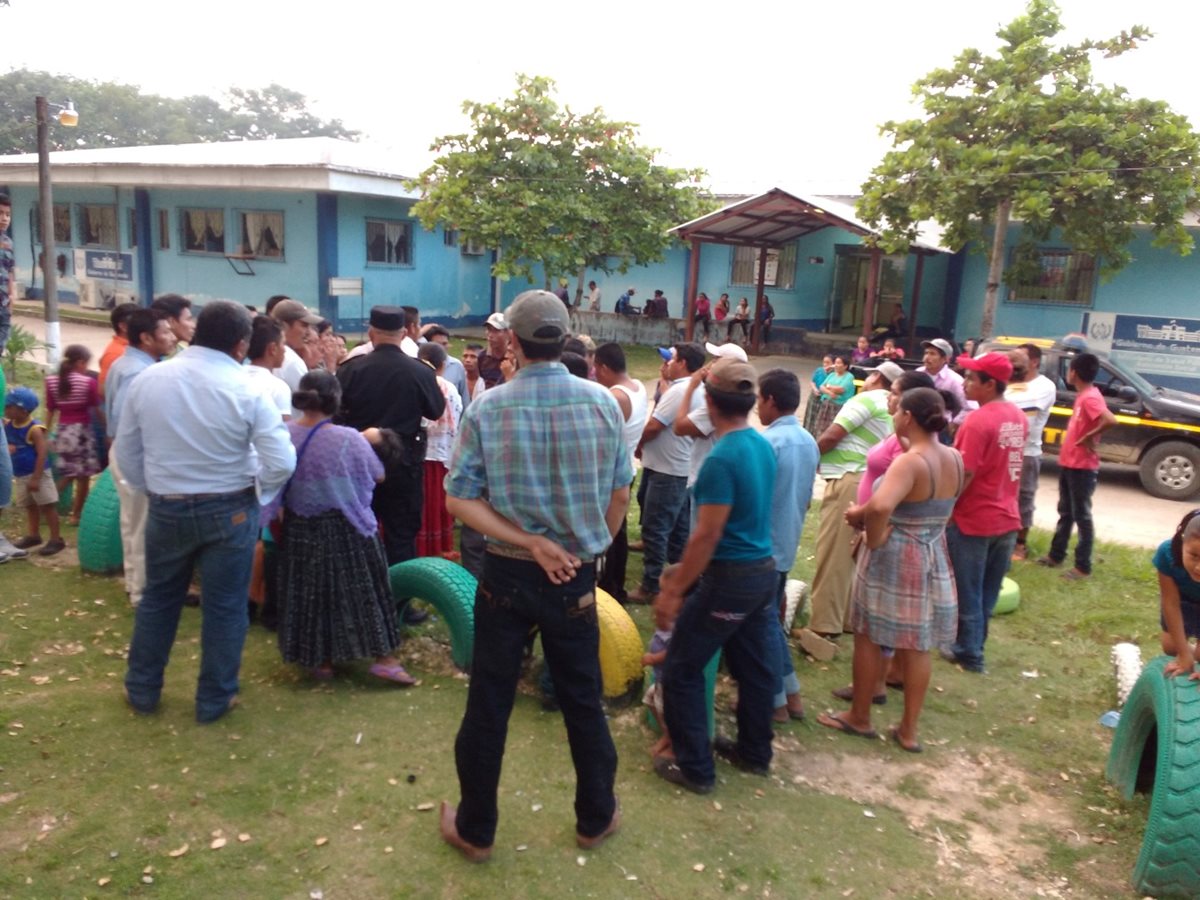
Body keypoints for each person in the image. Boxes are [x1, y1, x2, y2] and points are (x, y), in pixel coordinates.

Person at [440, 289, 630, 860]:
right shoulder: (602, 402)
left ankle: (476, 829)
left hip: (505, 573)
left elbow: (459, 500)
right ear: (564, 339)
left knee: (489, 701)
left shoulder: (489, 406)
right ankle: (594, 818)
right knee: (582, 700)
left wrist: (527, 541)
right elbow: (621, 494)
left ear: (514, 344)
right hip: (573, 577)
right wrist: (587, 550)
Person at [119, 301, 296, 722]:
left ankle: (143, 690)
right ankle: (214, 699)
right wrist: (260, 493)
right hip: (229, 507)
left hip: (168, 505)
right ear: (241, 345)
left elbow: (126, 451)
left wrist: (156, 489)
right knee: (226, 606)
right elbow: (282, 461)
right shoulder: (250, 388)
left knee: (159, 601)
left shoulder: (149, 379)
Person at [653, 357, 778, 792]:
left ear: (708, 400)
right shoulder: (761, 444)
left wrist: (673, 592)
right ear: (750, 402)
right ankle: (754, 752)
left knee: (682, 669)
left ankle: (696, 769)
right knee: (755, 669)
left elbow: (706, 536)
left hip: (730, 577)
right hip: (762, 573)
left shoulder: (721, 459)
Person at [819, 388, 962, 752]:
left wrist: (869, 531)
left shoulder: (910, 461)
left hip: (897, 553)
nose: (893, 415)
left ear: (909, 417)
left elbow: (881, 506)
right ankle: (908, 730)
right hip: (932, 551)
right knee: (918, 644)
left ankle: (860, 716)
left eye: (897, 411)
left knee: (868, 634)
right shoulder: (953, 457)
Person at [267, 370, 414, 684]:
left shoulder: (284, 433)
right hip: (347, 526)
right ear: (335, 400)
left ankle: (321, 660)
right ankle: (383, 658)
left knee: (310, 594)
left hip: (299, 527)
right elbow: (376, 474)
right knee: (365, 592)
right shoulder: (347, 438)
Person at [335, 306, 445, 569]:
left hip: (360, 462)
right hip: (404, 463)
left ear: (371, 333)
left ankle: (366, 596)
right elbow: (435, 410)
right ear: (404, 333)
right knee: (401, 535)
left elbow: (336, 416)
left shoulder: (350, 370)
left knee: (361, 531)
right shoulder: (420, 371)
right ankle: (401, 603)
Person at [799, 363, 897, 659]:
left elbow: (831, 436)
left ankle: (824, 625)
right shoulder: (891, 407)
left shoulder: (866, 399)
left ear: (877, 378)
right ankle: (846, 619)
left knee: (834, 551)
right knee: (853, 553)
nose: (864, 379)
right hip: (871, 482)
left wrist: (806, 459)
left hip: (849, 478)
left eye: (869, 375)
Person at [943, 352, 1026, 674]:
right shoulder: (1017, 416)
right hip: (1007, 519)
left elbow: (965, 473)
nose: (964, 383)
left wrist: (947, 508)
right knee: (988, 591)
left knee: (967, 589)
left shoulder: (977, 421)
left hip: (974, 518)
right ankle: (973, 645)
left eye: (971, 378)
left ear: (989, 384)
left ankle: (970, 653)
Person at [757, 368, 819, 722]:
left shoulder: (769, 443)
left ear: (770, 401)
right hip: (785, 542)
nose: (757, 408)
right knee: (767, 621)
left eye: (759, 400)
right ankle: (790, 694)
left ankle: (776, 701)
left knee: (763, 625)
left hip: (763, 548)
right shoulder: (808, 440)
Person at [105, 308, 177, 607]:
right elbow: (126, 421)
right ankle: (143, 594)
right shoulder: (139, 372)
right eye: (166, 332)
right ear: (146, 338)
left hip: (125, 451)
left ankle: (135, 583)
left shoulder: (126, 363)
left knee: (131, 522)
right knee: (143, 526)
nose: (172, 337)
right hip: (135, 453)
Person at [629, 342, 705, 604]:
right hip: (673, 466)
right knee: (675, 527)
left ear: (683, 363)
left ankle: (651, 586)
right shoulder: (688, 390)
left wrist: (638, 444)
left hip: (668, 469)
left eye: (672, 359)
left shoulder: (680, 391)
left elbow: (653, 426)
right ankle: (681, 576)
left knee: (656, 526)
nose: (668, 364)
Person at [1037, 352, 1116, 580]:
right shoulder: (1085, 395)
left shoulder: (1090, 397)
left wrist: (1088, 437)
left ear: (1074, 373)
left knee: (1081, 515)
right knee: (1066, 512)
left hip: (1082, 466)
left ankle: (1083, 567)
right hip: (1070, 463)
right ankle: (1056, 555)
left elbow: (1110, 419)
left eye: (1070, 369)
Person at [594, 341, 648, 605]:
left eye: (595, 369)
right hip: (627, 466)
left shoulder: (615, 397)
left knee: (610, 531)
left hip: (612, 471)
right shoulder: (637, 386)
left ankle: (609, 586)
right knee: (620, 529)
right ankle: (616, 584)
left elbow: (600, 438)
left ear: (604, 368)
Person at [1006, 344, 1057, 562]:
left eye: (1021, 357)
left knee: (1024, 497)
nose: (1015, 360)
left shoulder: (1044, 386)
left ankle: (1020, 544)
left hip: (1027, 451)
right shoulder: (1008, 384)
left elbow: (1026, 408)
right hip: (1001, 448)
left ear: (1034, 361)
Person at [44, 344, 104, 527]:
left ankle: (46, 504)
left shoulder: (52, 381)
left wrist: (45, 433)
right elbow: (96, 409)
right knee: (83, 476)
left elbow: (50, 410)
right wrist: (107, 428)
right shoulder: (88, 383)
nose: (87, 368)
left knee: (69, 473)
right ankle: (75, 515)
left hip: (63, 432)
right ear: (80, 362)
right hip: (82, 433)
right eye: (86, 364)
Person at [416, 341, 463, 558]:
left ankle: (422, 545)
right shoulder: (449, 387)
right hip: (442, 451)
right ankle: (440, 545)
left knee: (423, 502)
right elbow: (457, 413)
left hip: (422, 450)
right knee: (438, 502)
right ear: (442, 365)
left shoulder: (417, 381)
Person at [4, 386, 64, 556]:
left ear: (22, 410)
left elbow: (42, 453)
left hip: (38, 475)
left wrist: (37, 477)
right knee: (30, 506)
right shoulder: (9, 425)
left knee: (47, 505)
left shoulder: (35, 429)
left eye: (9, 407)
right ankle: (33, 535)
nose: (6, 409)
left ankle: (55, 539)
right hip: (22, 475)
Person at [1157, 509, 1200, 681]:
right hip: (1183, 601)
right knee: (1171, 646)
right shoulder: (1167, 554)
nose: (1198, 568)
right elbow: (1170, 602)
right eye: (1194, 556)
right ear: (1183, 542)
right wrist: (1183, 654)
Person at [642, 585, 675, 758]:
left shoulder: (677, 628)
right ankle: (667, 734)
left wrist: (653, 659)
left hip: (668, 681)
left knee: (666, 711)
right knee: (650, 701)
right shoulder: (665, 623)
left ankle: (671, 739)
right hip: (660, 679)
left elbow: (674, 651)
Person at [245, 316, 292, 420]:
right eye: (283, 344)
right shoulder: (278, 388)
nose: (285, 350)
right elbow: (283, 431)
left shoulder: (235, 377)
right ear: (273, 349)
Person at [270, 299, 322, 392]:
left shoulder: (267, 352)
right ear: (284, 326)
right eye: (304, 325)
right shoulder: (291, 361)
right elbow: (309, 402)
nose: (308, 332)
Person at [918, 338, 972, 427]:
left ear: (945, 359)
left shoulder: (955, 380)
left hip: (941, 428)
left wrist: (953, 424)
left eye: (932, 354)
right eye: (926, 353)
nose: (927, 357)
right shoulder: (918, 373)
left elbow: (970, 408)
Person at [810, 354, 856, 439]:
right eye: (835, 363)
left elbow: (841, 389)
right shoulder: (832, 375)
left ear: (845, 366)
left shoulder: (849, 376)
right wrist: (830, 392)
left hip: (838, 406)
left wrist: (828, 386)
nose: (836, 365)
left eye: (839, 363)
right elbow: (821, 387)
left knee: (832, 429)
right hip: (826, 404)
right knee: (820, 428)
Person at [98, 302, 139, 395]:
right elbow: (103, 390)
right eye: (137, 323)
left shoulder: (133, 347)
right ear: (123, 327)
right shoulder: (115, 353)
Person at [423, 324, 469, 402]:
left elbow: (464, 397)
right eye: (437, 345)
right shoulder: (421, 366)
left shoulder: (457, 365)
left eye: (444, 344)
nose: (442, 348)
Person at [476, 313, 510, 389]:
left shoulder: (514, 358)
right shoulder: (482, 357)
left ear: (507, 333)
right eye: (489, 329)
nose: (490, 335)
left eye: (496, 330)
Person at [804, 355, 834, 434]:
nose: (825, 364)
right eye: (824, 362)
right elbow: (813, 381)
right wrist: (814, 389)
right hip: (814, 396)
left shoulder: (833, 374)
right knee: (811, 417)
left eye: (828, 362)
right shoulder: (819, 370)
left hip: (824, 398)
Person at [0, 194, 14, 359]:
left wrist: (12, 296)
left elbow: (10, 270)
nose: (4, 218)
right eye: (1, 213)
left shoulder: (8, 242)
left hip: (3, 305)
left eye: (7, 214)